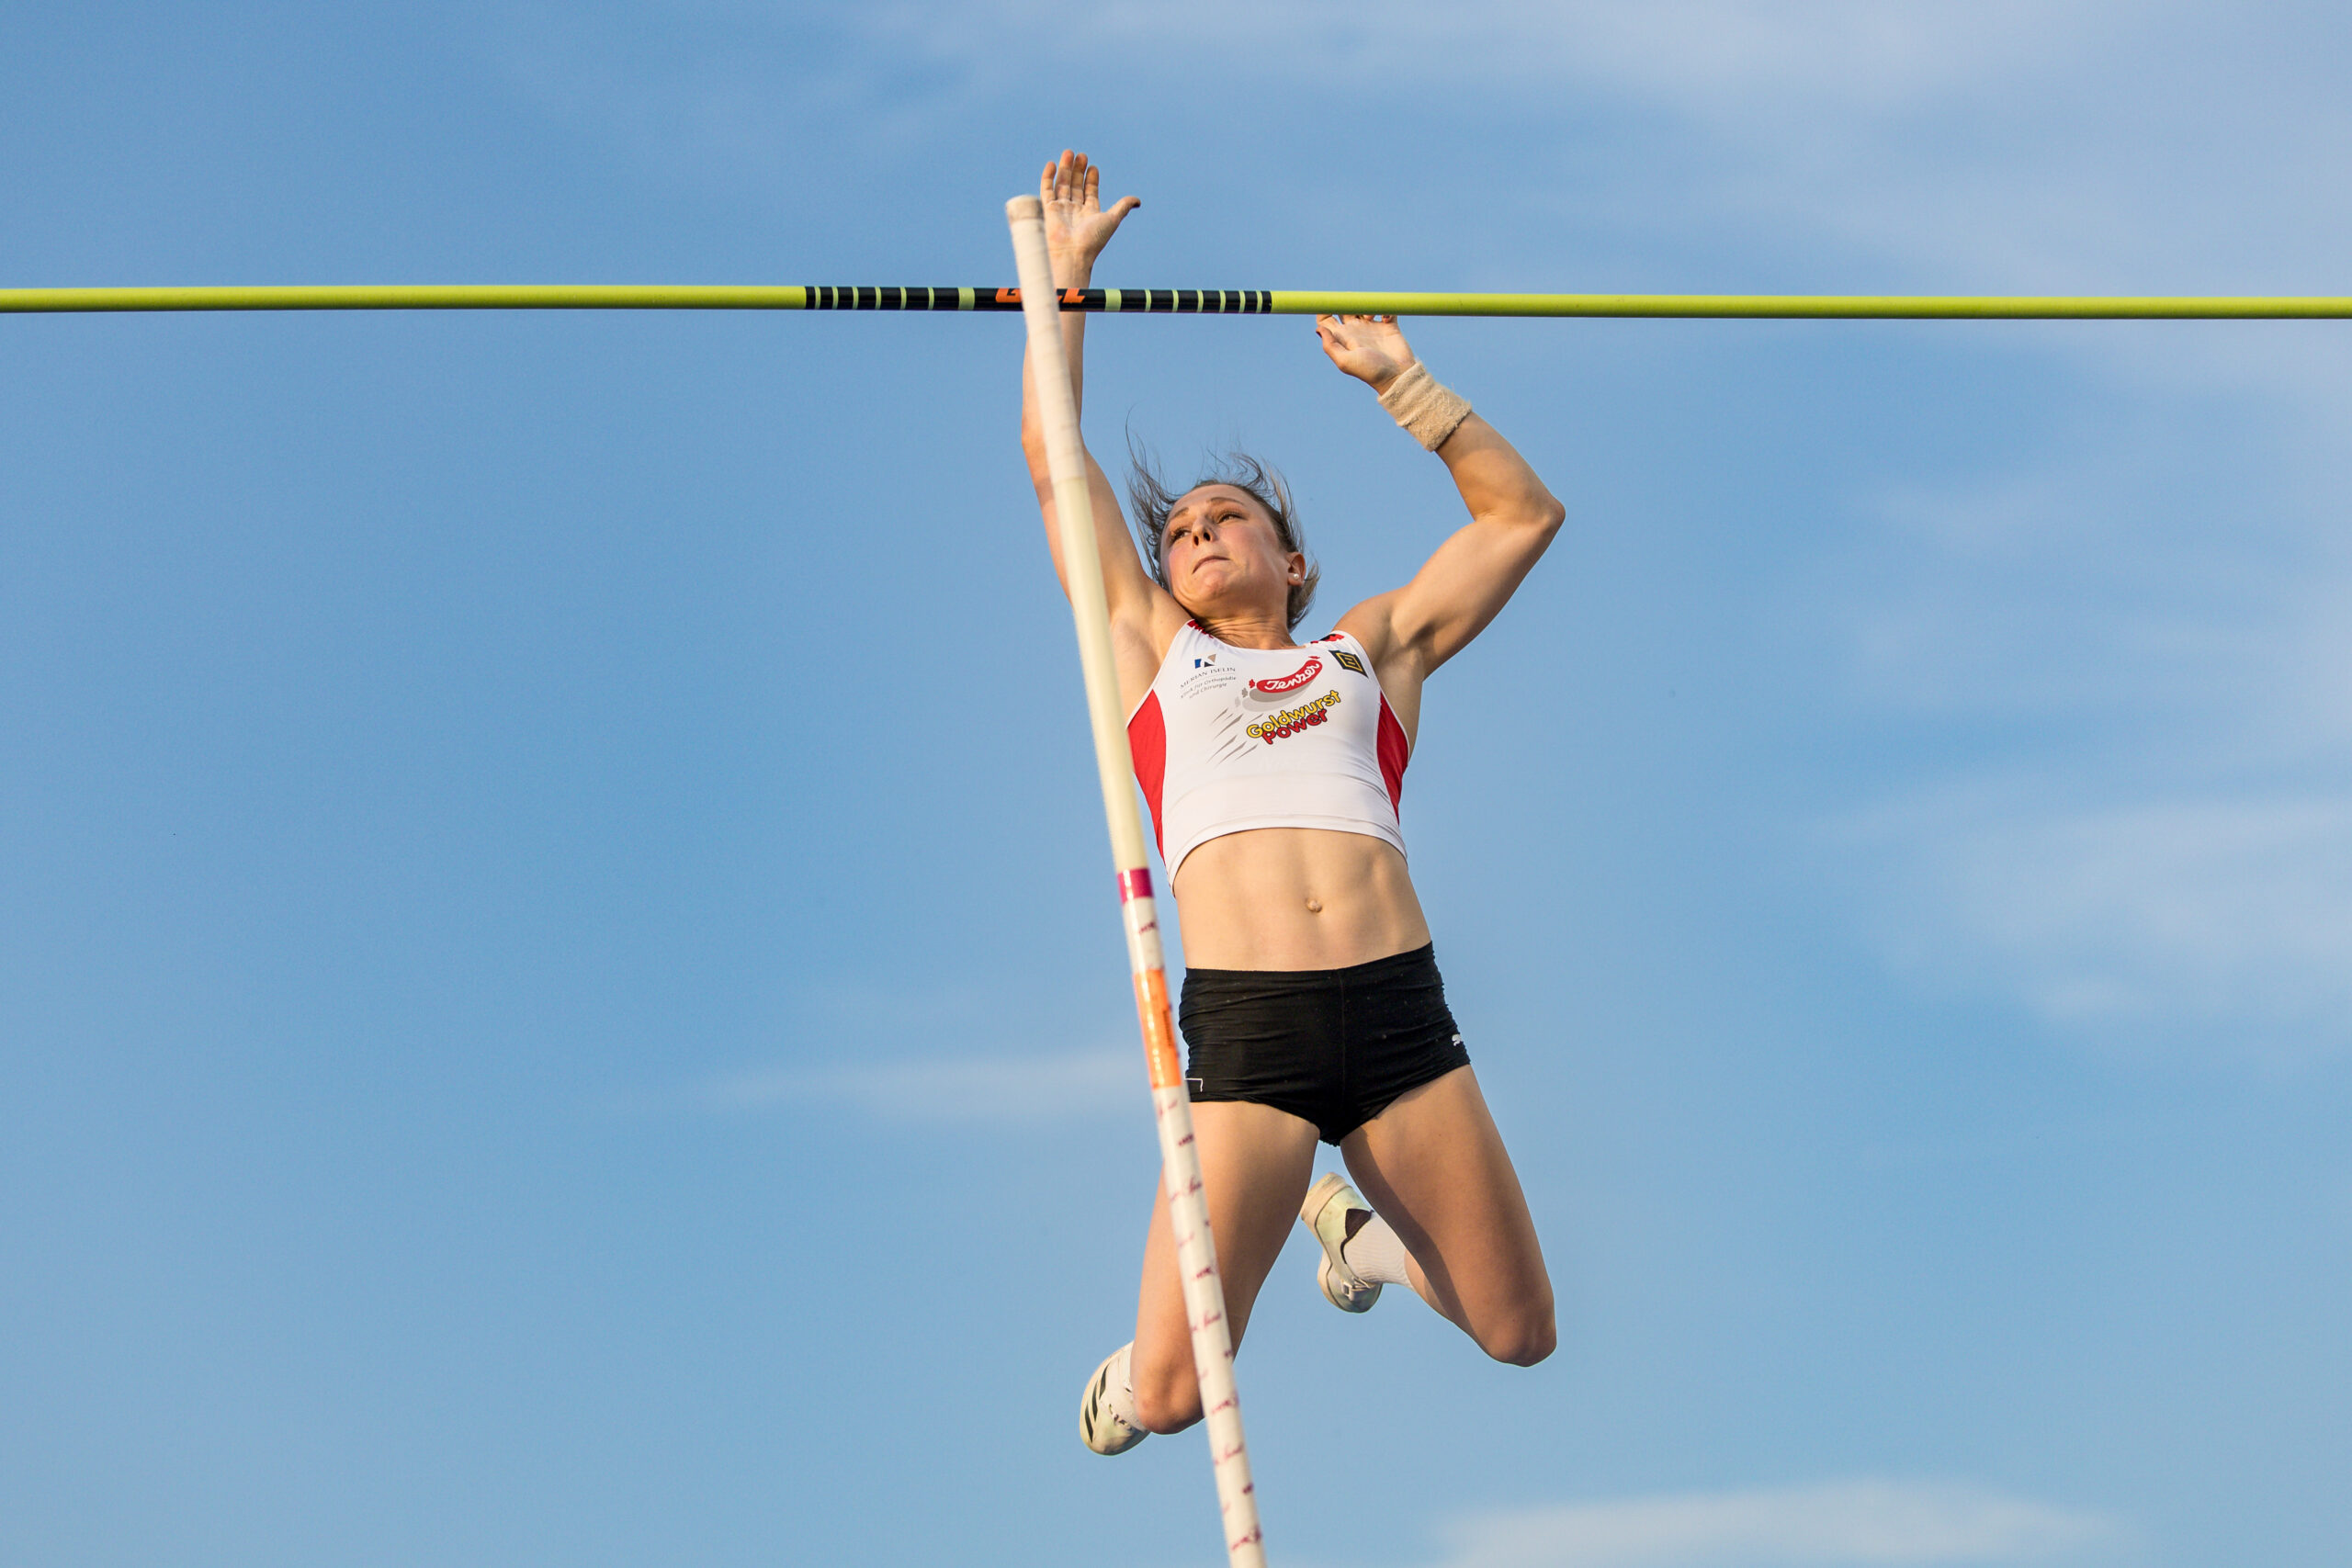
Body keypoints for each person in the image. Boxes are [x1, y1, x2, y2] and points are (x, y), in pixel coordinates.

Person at [1020, 151, 1563, 1456]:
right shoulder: (1160, 654)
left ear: (1292, 556)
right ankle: (1140, 1361)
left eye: (1228, 516)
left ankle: (1361, 1242)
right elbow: (1055, 459)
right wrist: (1064, 284)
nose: (1200, 534)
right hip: (1252, 1038)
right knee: (1166, 1401)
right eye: (1182, 533)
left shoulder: (1367, 653)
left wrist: (1405, 386)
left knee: (1520, 1330)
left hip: (1397, 1016)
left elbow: (1521, 517)